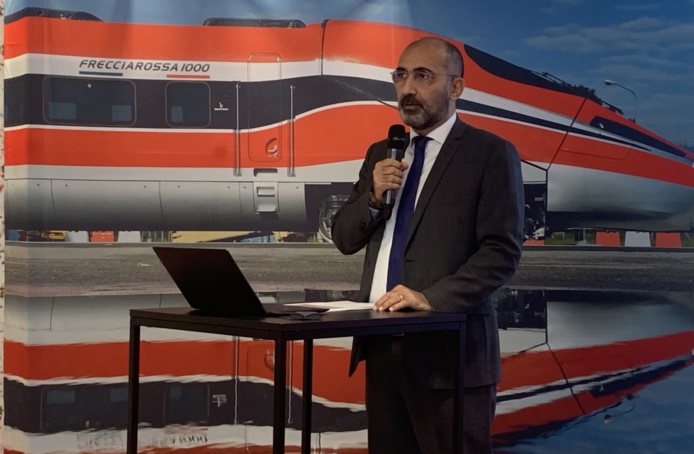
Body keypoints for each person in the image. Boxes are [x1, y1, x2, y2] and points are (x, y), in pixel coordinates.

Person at [331, 36, 524, 453]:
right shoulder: (382, 153)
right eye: (400, 76)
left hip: (449, 355)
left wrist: (432, 299)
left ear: (456, 88)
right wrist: (374, 197)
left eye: (423, 76)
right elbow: (344, 238)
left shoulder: (489, 154)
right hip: (381, 344)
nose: (407, 89)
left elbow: (501, 252)